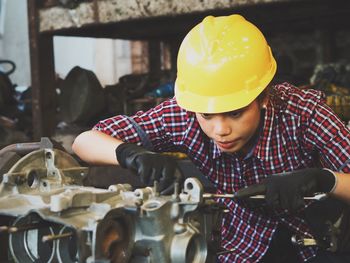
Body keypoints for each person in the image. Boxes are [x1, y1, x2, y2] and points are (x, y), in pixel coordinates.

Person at [72, 14, 350, 262]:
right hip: (239, 248)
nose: (220, 130)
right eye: (207, 115)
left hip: (318, 242)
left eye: (235, 113)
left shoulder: (304, 112)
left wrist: (325, 179)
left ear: (263, 96)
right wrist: (131, 154)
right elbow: (84, 142)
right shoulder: (183, 115)